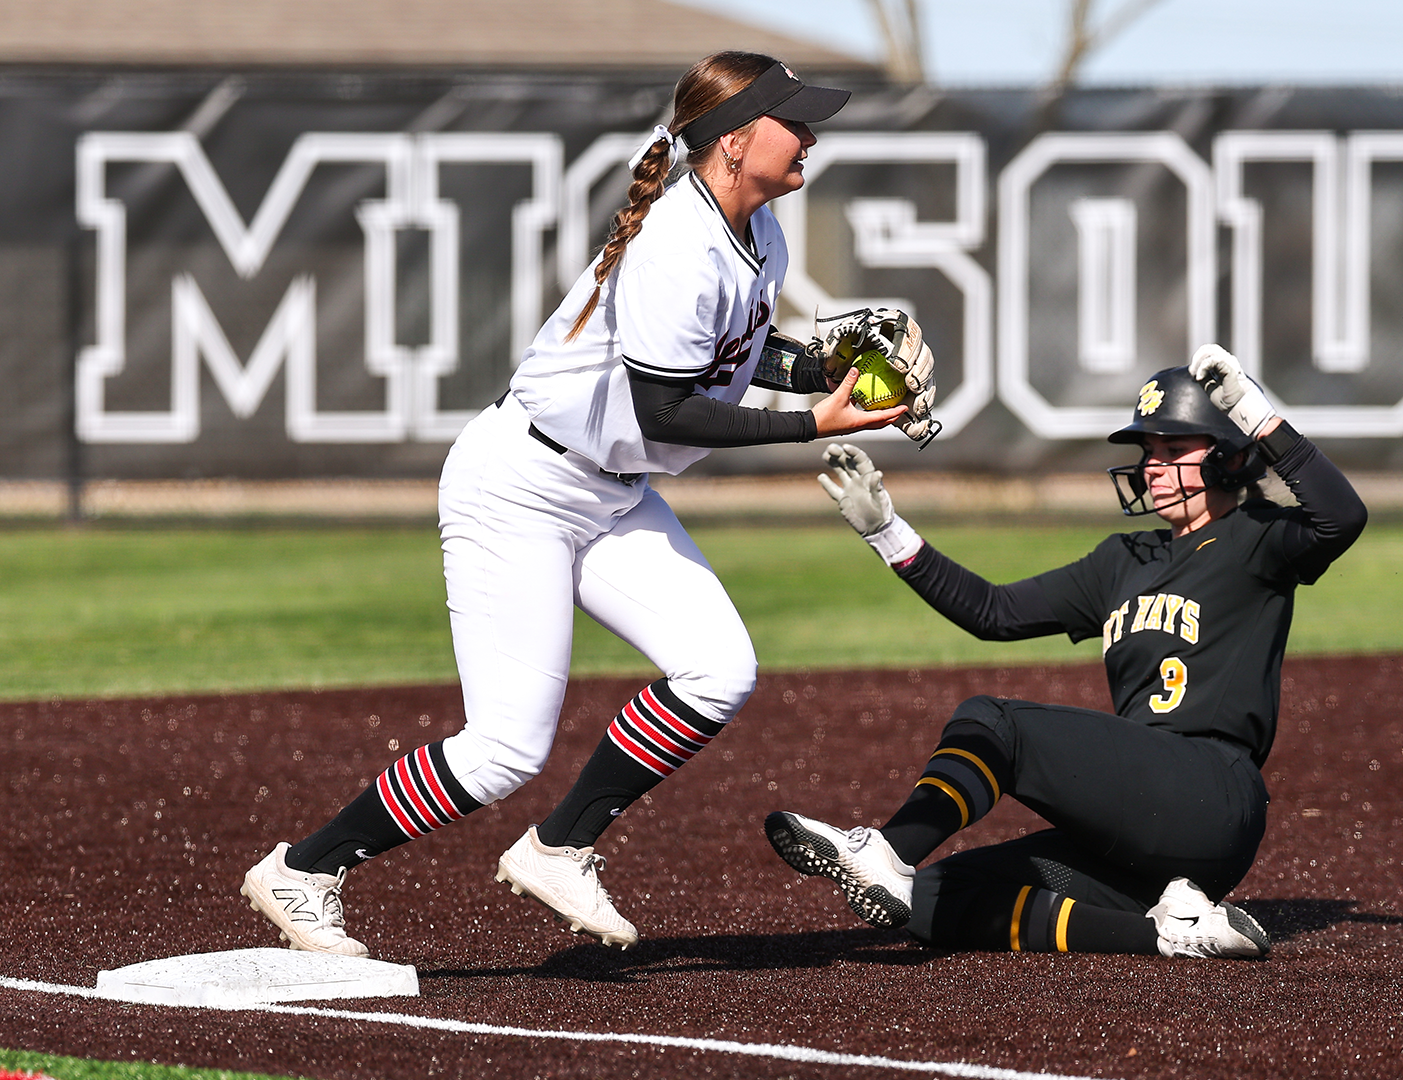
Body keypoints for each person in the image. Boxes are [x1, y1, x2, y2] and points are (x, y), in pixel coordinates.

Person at [241, 51, 933, 958]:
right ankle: (303, 869)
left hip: (611, 491)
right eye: (792, 121)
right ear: (732, 143)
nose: (810, 136)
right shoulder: (677, 243)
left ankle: (560, 848)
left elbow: (729, 350)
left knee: (718, 668)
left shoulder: (760, 235)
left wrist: (821, 370)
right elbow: (664, 407)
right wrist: (813, 419)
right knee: (502, 751)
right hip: (521, 486)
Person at [765, 347, 1366, 959]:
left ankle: (885, 852)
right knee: (934, 899)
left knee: (994, 721)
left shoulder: (1255, 537)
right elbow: (992, 613)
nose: (1151, 468)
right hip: (1138, 827)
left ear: (1229, 456)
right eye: (1146, 453)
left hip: (1214, 794)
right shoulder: (1123, 560)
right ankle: (1172, 933)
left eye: (1172, 450)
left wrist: (1252, 410)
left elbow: (1342, 516)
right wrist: (887, 531)